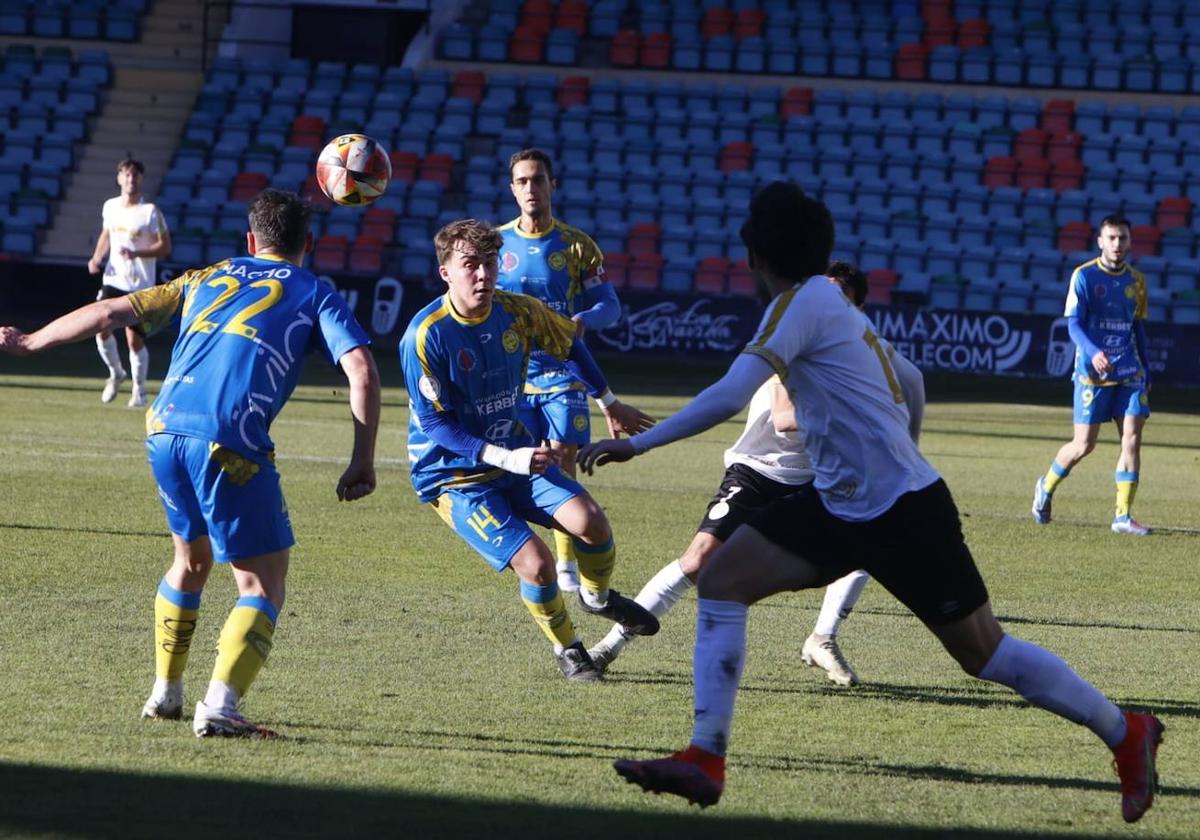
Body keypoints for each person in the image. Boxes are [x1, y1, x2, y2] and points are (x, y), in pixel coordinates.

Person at [577, 183, 1164, 823]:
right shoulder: (831, 300)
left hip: (903, 511)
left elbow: (727, 394)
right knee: (720, 577)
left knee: (983, 653)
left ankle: (1126, 732)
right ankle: (705, 756)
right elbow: (908, 378)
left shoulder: (796, 305)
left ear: (754, 256)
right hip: (842, 505)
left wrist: (642, 445)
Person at [1, 188, 380, 739]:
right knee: (261, 584)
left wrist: (33, 341)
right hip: (229, 438)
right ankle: (221, 708)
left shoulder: (205, 276)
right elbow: (363, 372)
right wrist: (362, 460)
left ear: (251, 240)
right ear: (308, 244)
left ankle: (165, 693)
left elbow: (110, 310)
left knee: (191, 560)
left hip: (164, 428)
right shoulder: (313, 289)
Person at [586, 263, 917, 689]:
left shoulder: (862, 357)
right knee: (698, 561)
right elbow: (784, 417)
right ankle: (608, 646)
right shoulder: (791, 341)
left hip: (813, 481)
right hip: (758, 472)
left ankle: (823, 637)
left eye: (841, 299)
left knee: (869, 539)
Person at [400, 218, 655, 682]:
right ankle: (569, 650)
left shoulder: (519, 311)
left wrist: (610, 401)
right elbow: (435, 422)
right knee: (537, 566)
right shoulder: (425, 335)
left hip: (514, 455)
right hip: (453, 476)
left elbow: (569, 344)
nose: (482, 275)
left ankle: (597, 598)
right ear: (446, 272)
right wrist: (507, 458)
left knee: (592, 524)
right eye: (470, 265)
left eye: (490, 264)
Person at [496, 149, 623, 593]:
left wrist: (586, 319)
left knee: (563, 455)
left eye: (538, 180)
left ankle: (566, 561)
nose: (531, 188)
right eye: (523, 181)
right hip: (510, 374)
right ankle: (532, 552)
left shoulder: (576, 245)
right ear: (512, 189)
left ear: (552, 185)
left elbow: (611, 305)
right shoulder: (495, 246)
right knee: (529, 462)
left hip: (562, 371)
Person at [1032, 216, 1152, 536]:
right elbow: (1073, 324)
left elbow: (1137, 327)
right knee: (1084, 445)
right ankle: (1046, 486)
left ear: (1130, 241)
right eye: (1111, 238)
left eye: (1122, 238)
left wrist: (1147, 368)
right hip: (1092, 374)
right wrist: (1094, 352)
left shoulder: (1137, 281)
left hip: (1129, 371)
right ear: (1100, 240)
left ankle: (1122, 516)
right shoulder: (1083, 276)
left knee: (1132, 438)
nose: (1117, 244)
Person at [86, 158, 173, 407]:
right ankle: (115, 373)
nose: (130, 179)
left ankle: (139, 389)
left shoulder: (150, 212)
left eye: (135, 175)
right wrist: (96, 258)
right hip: (114, 278)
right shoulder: (110, 207)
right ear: (119, 178)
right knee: (100, 327)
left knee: (134, 340)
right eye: (126, 175)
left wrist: (137, 254)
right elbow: (106, 234)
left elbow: (165, 247)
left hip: (140, 284)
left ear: (141, 179)